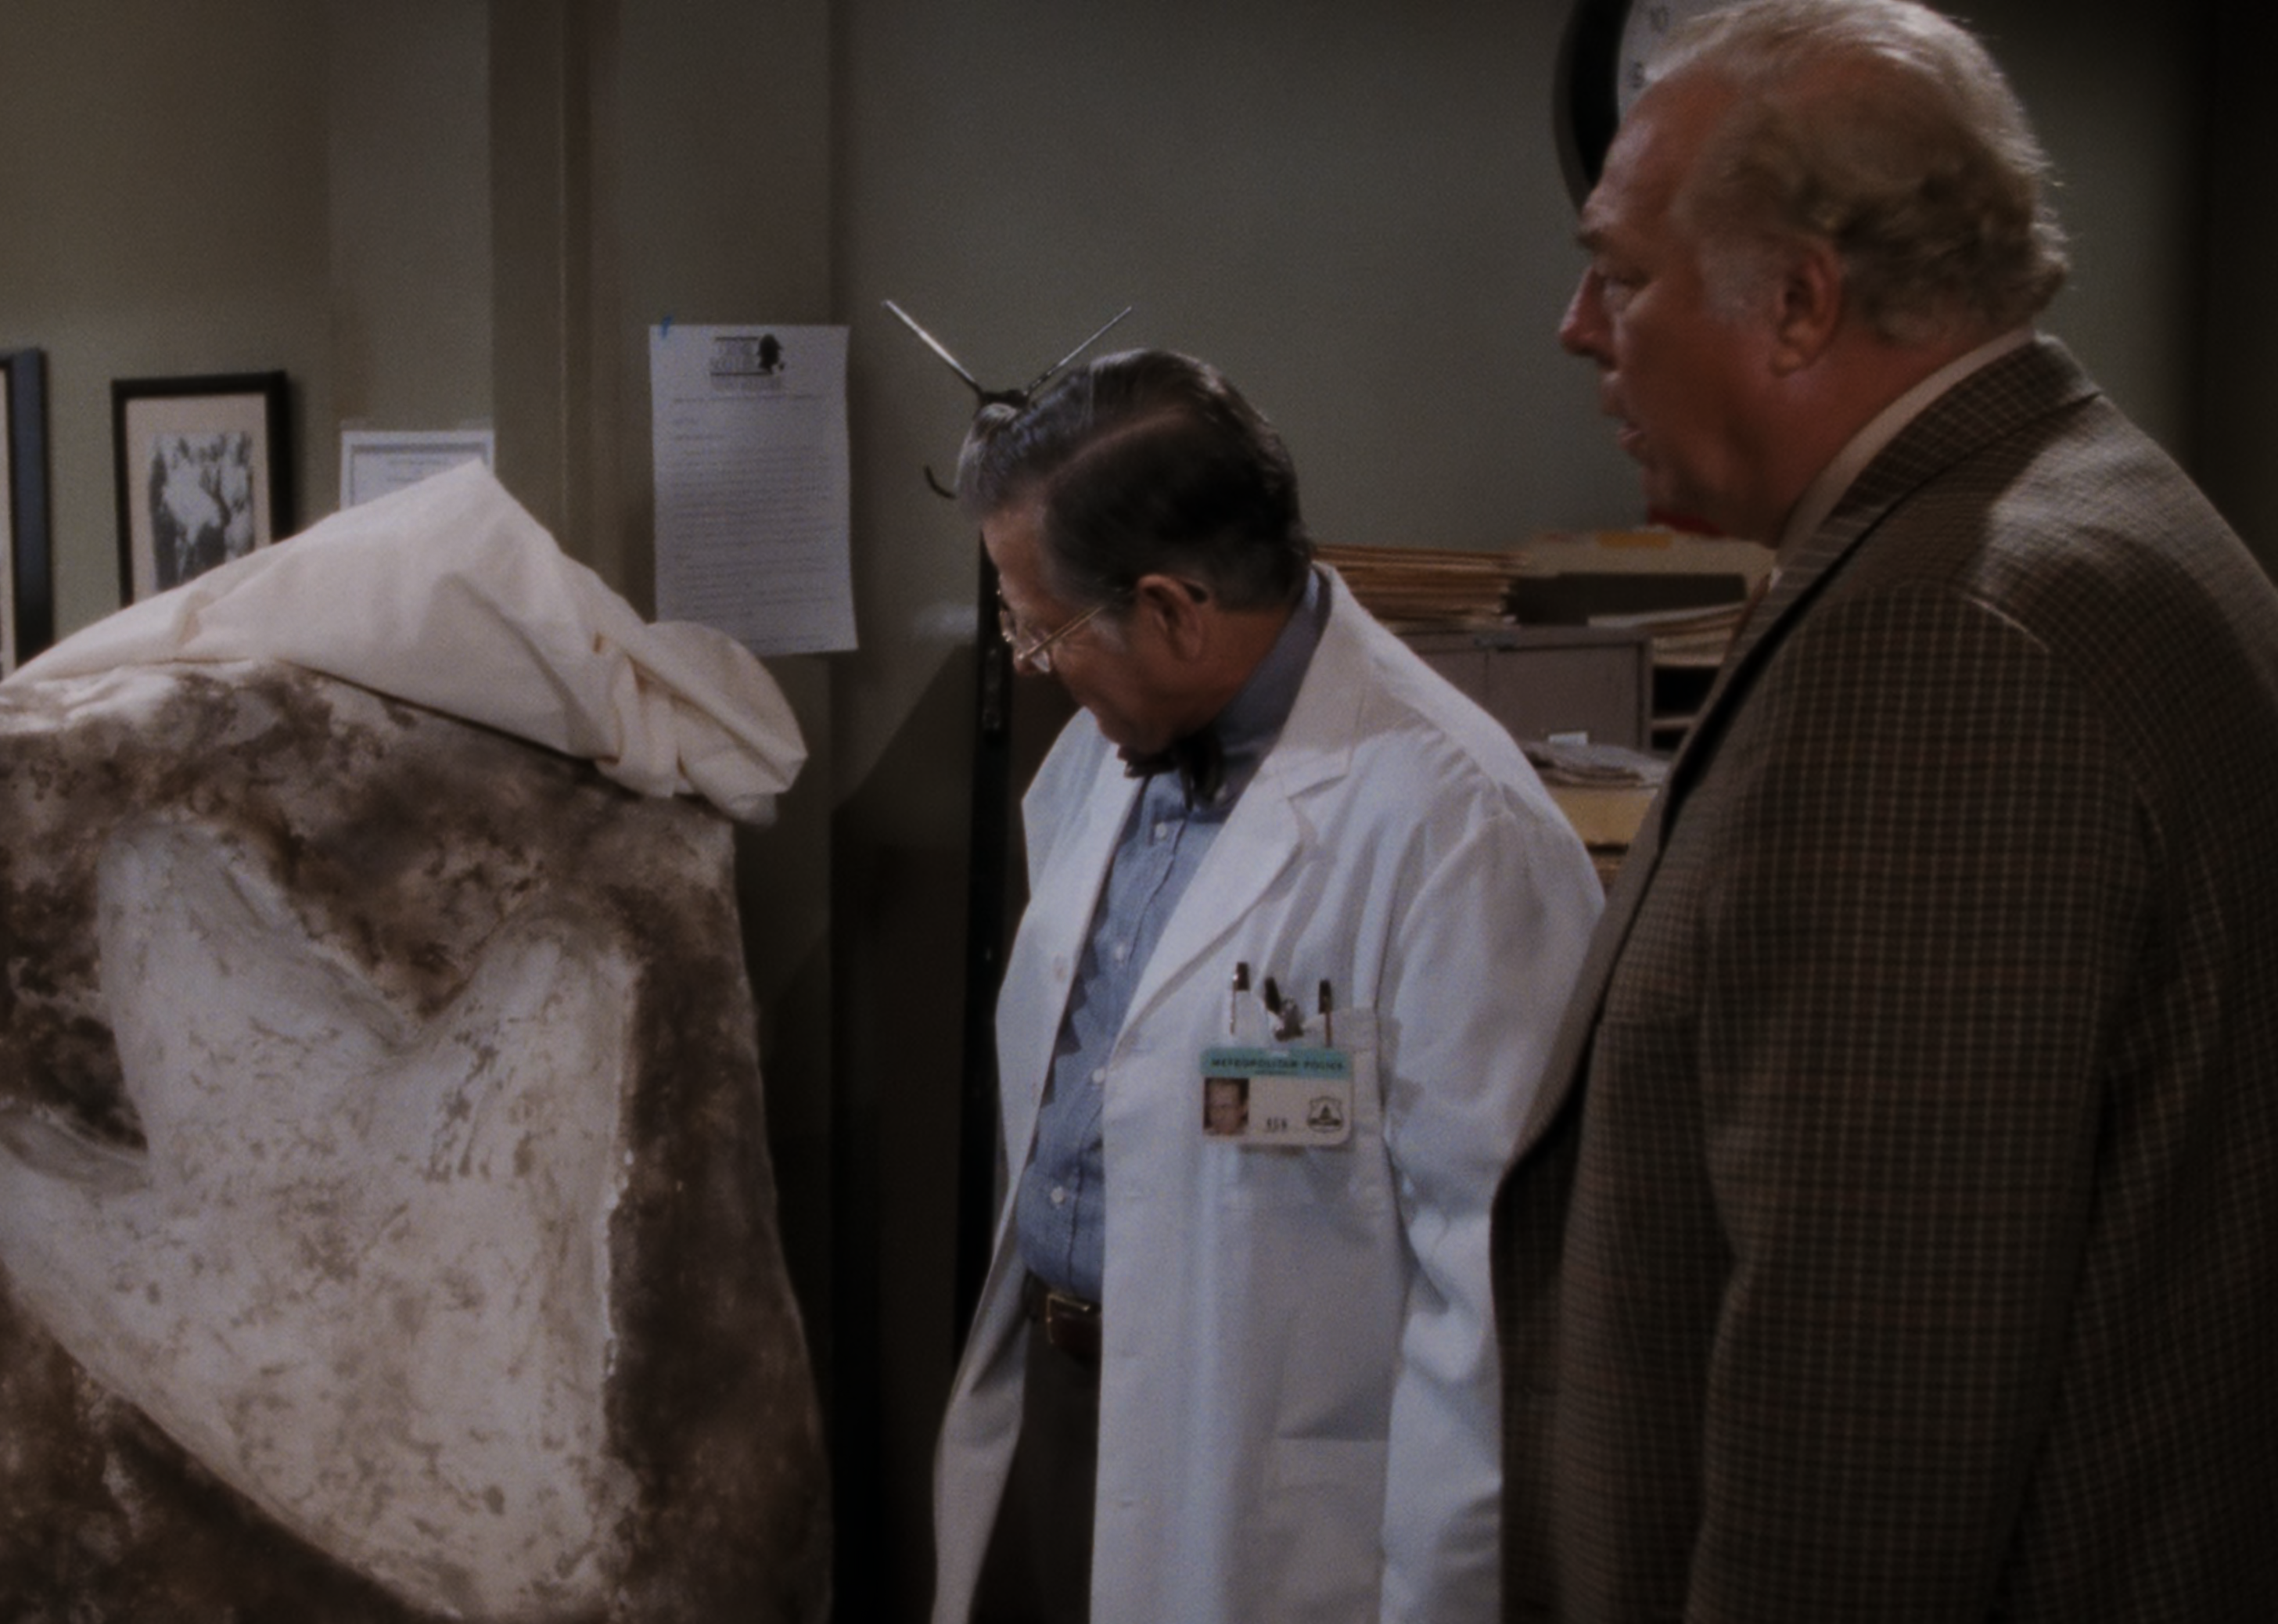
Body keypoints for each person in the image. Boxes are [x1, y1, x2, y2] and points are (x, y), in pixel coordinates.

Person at [1497, 2, 2278, 1618]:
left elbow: (1865, 1436)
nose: (1578, 329)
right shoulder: (2088, 512)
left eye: (1622, 272)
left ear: (1798, 302)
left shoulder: (1948, 638)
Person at [929, 349, 1602, 1623]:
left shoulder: (1459, 830)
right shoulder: (1100, 762)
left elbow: (1496, 1307)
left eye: (1043, 628)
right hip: (1056, 1423)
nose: (1028, 662)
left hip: (1271, 1504)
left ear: (1176, 612)